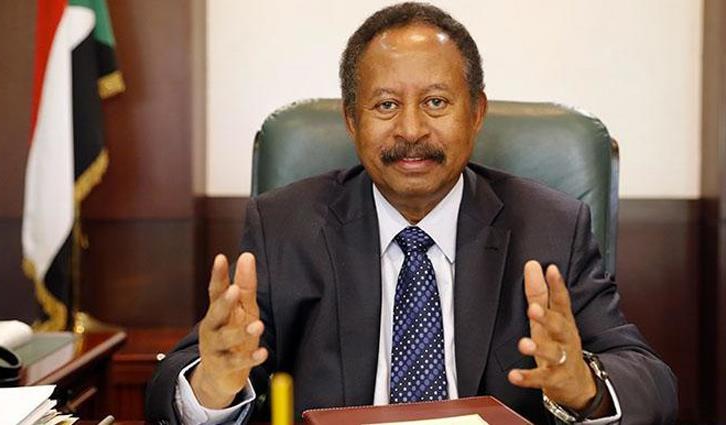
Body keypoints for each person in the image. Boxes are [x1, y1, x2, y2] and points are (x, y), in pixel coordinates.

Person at [146, 3, 677, 424]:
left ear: (476, 113)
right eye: (385, 105)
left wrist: (584, 387)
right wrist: (213, 386)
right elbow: (170, 387)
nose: (411, 130)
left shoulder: (551, 227)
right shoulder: (285, 226)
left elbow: (651, 383)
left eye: (436, 102)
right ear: (351, 121)